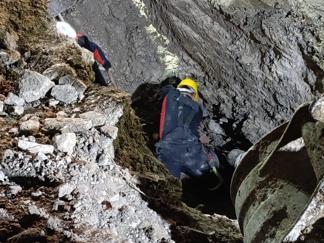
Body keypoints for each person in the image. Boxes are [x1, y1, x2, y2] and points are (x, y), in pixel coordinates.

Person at [155, 78, 220, 180]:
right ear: (194, 95)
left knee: (168, 183)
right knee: (211, 175)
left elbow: (164, 91)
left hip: (167, 152)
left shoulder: (170, 94)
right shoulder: (198, 110)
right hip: (192, 153)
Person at [55, 21, 117, 88]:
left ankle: (102, 86)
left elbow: (96, 52)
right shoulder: (79, 43)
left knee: (96, 76)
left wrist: (106, 64)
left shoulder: (84, 44)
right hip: (81, 67)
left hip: (88, 65)